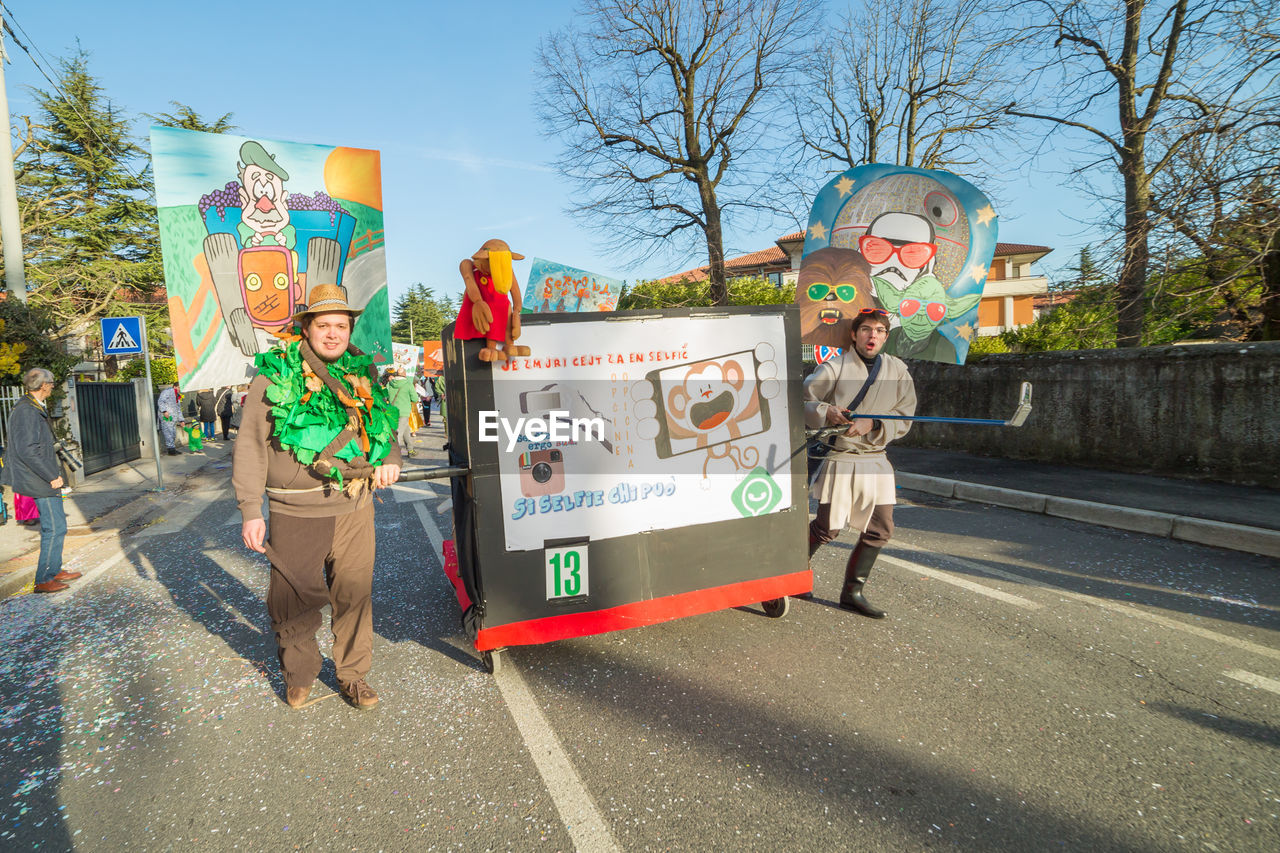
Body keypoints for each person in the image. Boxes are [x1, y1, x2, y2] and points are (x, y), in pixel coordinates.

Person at [233, 284, 402, 710]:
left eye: (341, 326)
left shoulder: (363, 373)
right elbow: (251, 444)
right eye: (323, 325)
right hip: (295, 512)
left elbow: (383, 428)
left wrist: (392, 458)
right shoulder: (274, 376)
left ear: (350, 329)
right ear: (306, 329)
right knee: (290, 601)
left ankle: (353, 676)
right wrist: (251, 510)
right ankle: (300, 673)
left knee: (354, 596)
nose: (332, 334)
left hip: (354, 506)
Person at [804, 308, 917, 618]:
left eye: (880, 330)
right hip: (841, 457)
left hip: (876, 460)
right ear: (854, 334)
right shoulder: (835, 366)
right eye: (867, 329)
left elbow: (906, 415)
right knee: (828, 528)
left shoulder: (897, 369)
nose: (873, 335)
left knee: (880, 529)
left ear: (886, 336)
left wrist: (876, 423)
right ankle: (793, 573)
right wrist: (826, 410)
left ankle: (853, 592)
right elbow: (803, 401)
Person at [6, 368, 82, 593]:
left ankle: (54, 570)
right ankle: (44, 578)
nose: (53, 386)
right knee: (54, 528)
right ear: (44, 385)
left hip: (42, 477)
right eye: (51, 382)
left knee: (57, 526)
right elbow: (27, 451)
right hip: (40, 479)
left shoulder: (32, 407)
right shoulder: (26, 411)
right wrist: (52, 476)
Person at [385, 367, 418, 459]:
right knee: (398, 434)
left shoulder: (389, 384)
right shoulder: (408, 384)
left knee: (406, 431)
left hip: (392, 412)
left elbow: (386, 396)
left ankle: (410, 450)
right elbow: (415, 399)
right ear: (405, 374)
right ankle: (393, 456)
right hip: (403, 412)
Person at [156, 382, 184, 455]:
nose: (180, 389)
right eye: (179, 387)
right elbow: (160, 401)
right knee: (168, 432)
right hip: (166, 416)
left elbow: (178, 408)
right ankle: (171, 449)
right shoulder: (167, 392)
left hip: (173, 417)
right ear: (175, 387)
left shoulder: (177, 396)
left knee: (173, 433)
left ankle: (172, 448)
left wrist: (181, 420)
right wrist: (164, 411)